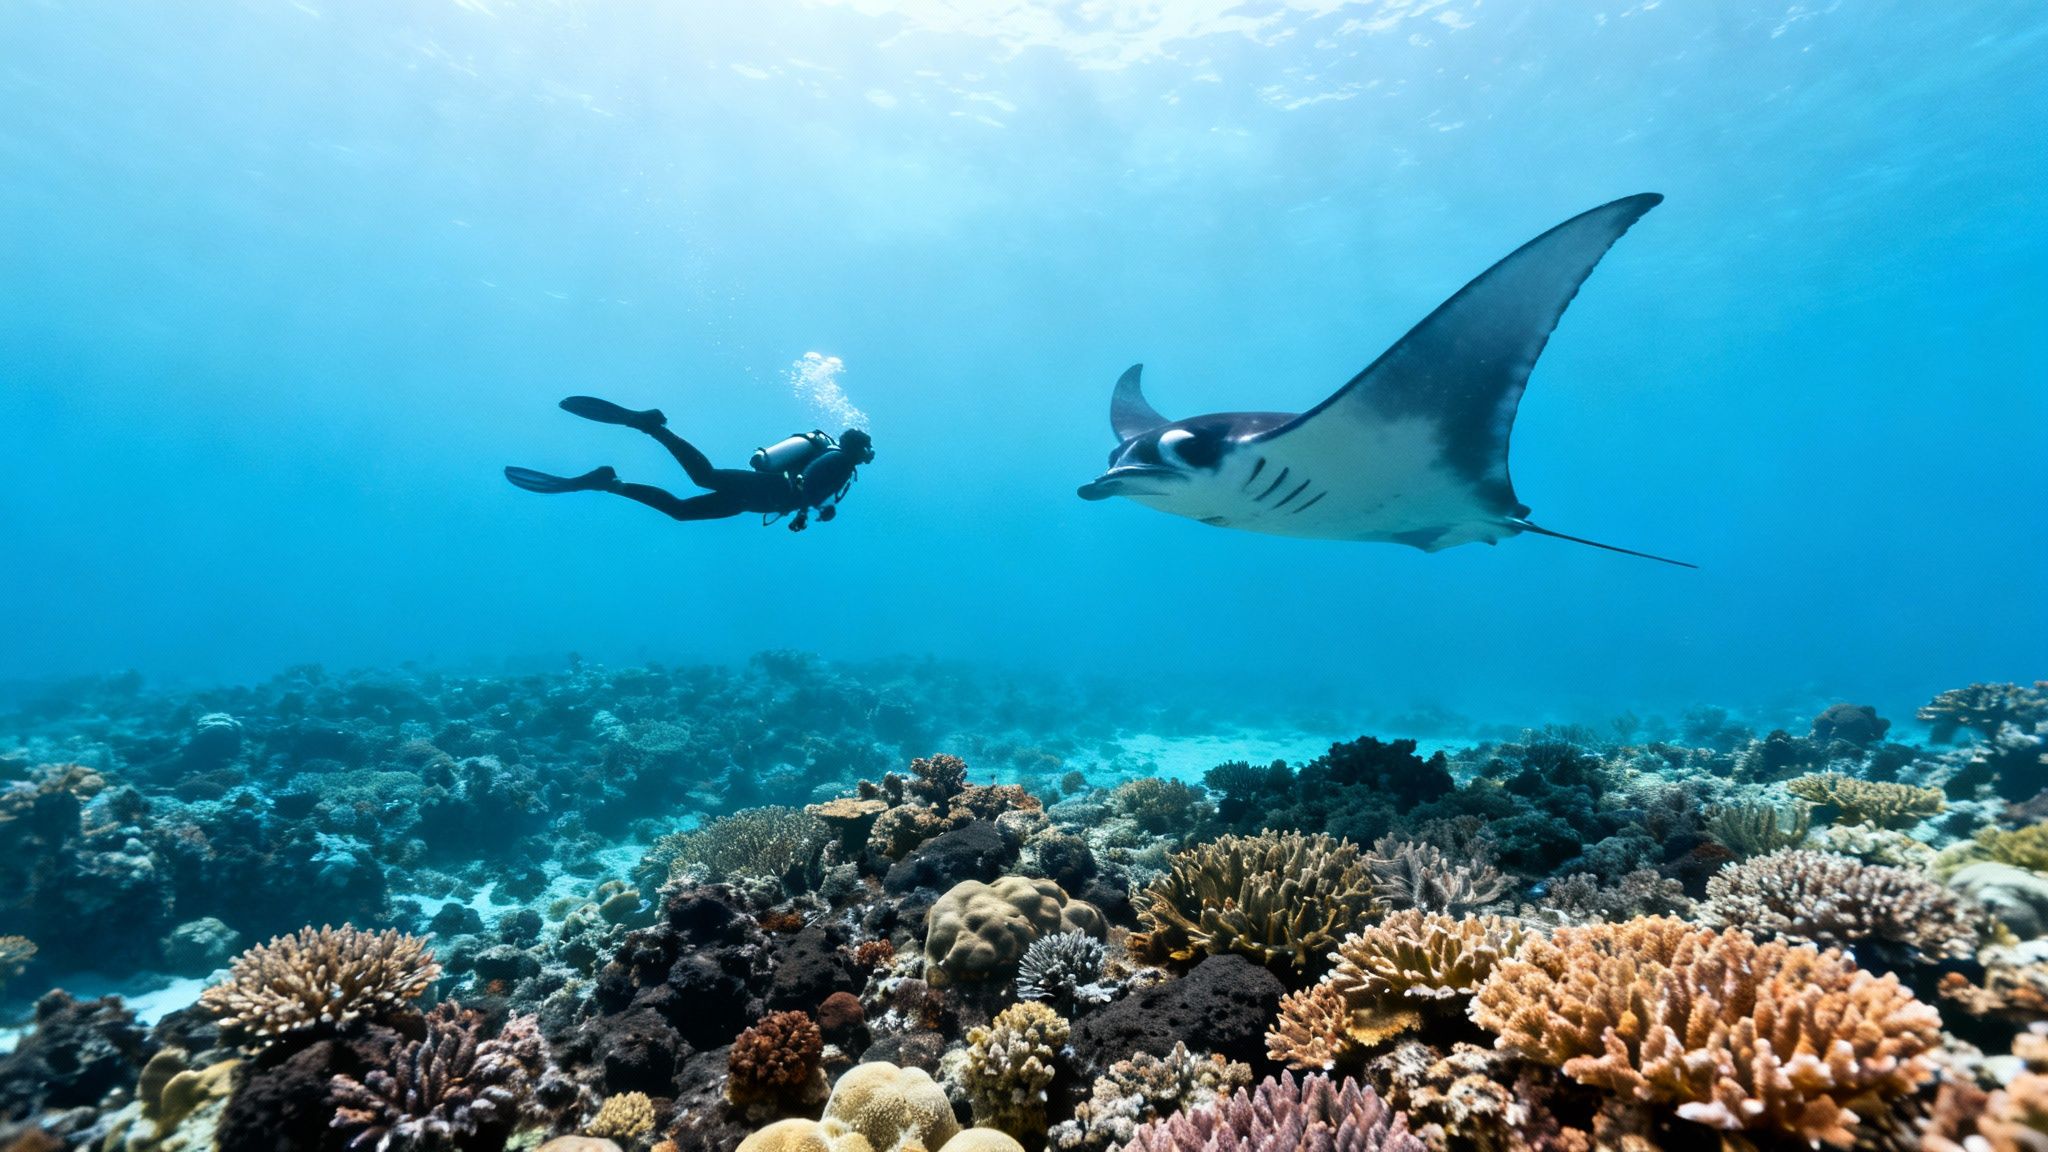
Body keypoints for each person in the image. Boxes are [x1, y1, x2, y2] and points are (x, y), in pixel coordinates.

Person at [505, 397, 874, 531]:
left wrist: (808, 511)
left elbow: (810, 486)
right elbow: (808, 482)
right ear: (857, 448)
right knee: (704, 476)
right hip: (765, 492)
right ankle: (652, 427)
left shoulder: (840, 462)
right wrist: (814, 509)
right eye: (867, 449)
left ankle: (608, 483)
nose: (868, 455)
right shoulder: (841, 460)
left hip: (758, 500)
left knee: (682, 511)